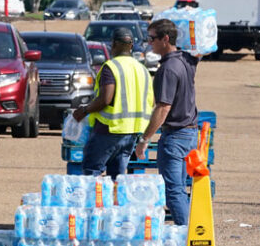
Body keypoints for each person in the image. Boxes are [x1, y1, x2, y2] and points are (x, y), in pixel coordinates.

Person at [135, 19, 199, 226]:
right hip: (189, 133)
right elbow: (198, 54)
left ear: (165, 39)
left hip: (176, 136)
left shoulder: (168, 69)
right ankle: (188, 231)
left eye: (152, 38)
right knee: (179, 189)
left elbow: (163, 108)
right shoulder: (186, 60)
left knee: (173, 192)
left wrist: (145, 139)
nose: (149, 42)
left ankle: (185, 237)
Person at [73, 28, 153, 180]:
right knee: (117, 178)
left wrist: (84, 110)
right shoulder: (142, 69)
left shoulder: (111, 67)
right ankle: (114, 203)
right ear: (131, 46)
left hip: (109, 129)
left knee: (92, 173)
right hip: (132, 132)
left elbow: (105, 99)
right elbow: (151, 101)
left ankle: (94, 204)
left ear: (113, 44)